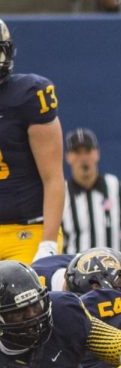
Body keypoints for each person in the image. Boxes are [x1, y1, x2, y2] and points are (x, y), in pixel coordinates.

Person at [0, 20, 64, 265]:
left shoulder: (28, 95)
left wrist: (47, 242)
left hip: (27, 231)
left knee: (25, 298)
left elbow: (53, 177)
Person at [61, 128, 121, 258]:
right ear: (68, 157)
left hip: (118, 274)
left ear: (96, 154)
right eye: (77, 152)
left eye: (88, 151)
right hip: (74, 274)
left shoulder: (119, 189)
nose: (83, 158)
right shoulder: (61, 195)